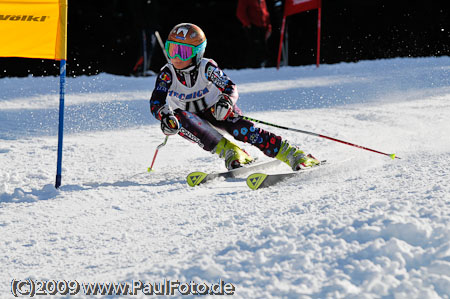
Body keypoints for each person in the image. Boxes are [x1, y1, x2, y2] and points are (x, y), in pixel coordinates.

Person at [149, 23, 319, 171]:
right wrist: (164, 117)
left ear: (197, 53)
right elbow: (156, 101)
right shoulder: (167, 74)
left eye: (183, 52)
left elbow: (229, 87)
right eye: (172, 50)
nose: (176, 58)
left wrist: (226, 101)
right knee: (178, 120)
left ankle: (292, 153)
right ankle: (231, 151)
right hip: (189, 117)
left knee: (242, 130)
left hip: (216, 109)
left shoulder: (206, 67)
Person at [236, 0, 272, 67]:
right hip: (252, 27)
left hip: (263, 26)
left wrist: (269, 25)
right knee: (254, 48)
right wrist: (248, 24)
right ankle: (253, 65)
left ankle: (264, 63)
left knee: (264, 47)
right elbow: (240, 13)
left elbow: (265, 12)